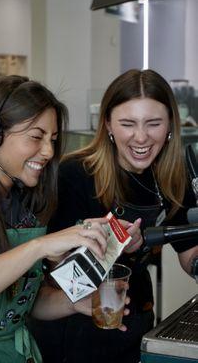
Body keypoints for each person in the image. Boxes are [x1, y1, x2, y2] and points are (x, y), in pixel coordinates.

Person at [0, 74, 129, 363]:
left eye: (52, 140)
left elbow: (17, 303)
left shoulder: (16, 200)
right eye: (36, 137)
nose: (49, 152)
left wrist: (74, 303)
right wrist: (39, 247)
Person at [30, 69, 198, 363]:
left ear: (171, 123)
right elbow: (51, 280)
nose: (141, 137)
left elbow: (188, 250)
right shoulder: (73, 175)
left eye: (154, 123)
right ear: (107, 123)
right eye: (128, 124)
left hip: (137, 324)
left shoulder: (172, 177)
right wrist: (110, 246)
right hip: (73, 335)